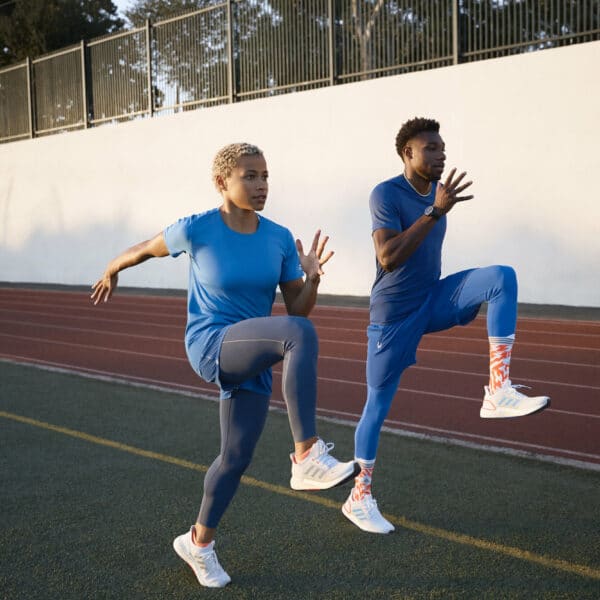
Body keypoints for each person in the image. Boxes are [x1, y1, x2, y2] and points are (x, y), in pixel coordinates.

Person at [91, 143, 358, 587]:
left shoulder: (277, 237)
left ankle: (198, 543)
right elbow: (146, 248)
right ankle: (306, 454)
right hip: (211, 343)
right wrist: (113, 266)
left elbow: (298, 308)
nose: (261, 185)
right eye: (250, 176)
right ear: (223, 182)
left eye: (265, 176)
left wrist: (310, 277)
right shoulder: (196, 229)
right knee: (298, 334)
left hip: (253, 354)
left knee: (235, 458)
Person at [342, 118, 550, 534]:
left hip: (431, 298)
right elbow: (388, 257)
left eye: (443, 148)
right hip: (393, 316)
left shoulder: (441, 200)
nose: (441, 155)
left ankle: (498, 390)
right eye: (431, 148)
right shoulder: (386, 194)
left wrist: (439, 212)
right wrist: (435, 212)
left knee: (501, 277)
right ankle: (359, 496)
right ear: (408, 154)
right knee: (377, 406)